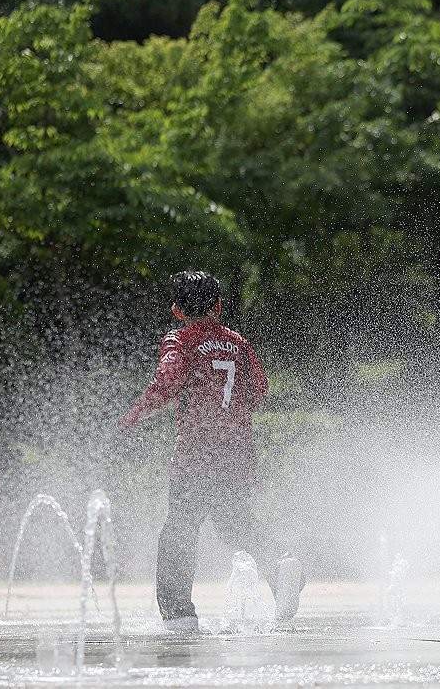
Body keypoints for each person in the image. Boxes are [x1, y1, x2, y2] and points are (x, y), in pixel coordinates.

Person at [120, 271, 304, 633]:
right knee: (237, 524)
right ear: (219, 306)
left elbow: (168, 380)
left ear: (176, 310)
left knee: (179, 531)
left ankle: (179, 616)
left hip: (194, 454)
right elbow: (260, 390)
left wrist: (135, 415)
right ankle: (280, 563)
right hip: (236, 453)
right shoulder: (238, 342)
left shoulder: (180, 340)